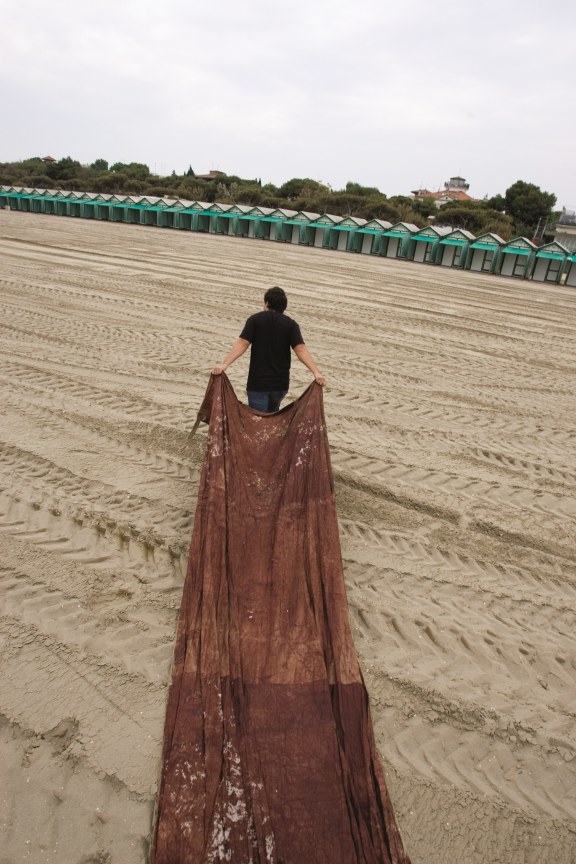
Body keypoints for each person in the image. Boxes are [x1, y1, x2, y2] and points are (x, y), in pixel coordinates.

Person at [212, 286, 326, 413]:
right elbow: (300, 349)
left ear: (266, 303)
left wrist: (224, 364)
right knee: (272, 418)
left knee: (258, 423)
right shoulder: (291, 324)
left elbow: (243, 343)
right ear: (284, 307)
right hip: (280, 386)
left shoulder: (255, 320)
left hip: (258, 384)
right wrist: (316, 372)